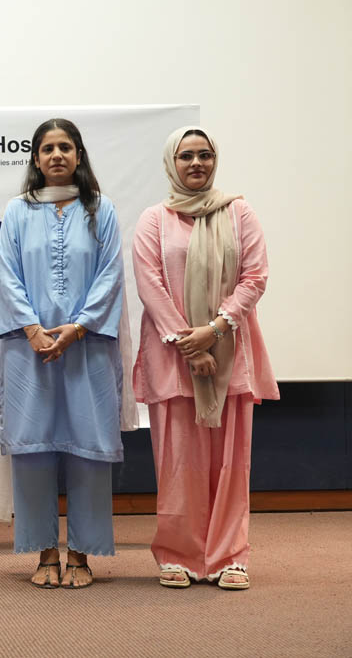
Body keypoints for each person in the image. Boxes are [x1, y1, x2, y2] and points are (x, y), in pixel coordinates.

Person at [132, 126, 277, 590]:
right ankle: (178, 554)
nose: (196, 163)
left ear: (215, 160)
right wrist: (189, 345)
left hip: (230, 351)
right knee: (178, 461)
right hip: (173, 356)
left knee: (232, 461)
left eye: (205, 155)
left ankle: (230, 556)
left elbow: (255, 276)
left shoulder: (239, 212)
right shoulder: (154, 220)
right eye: (186, 155)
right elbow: (150, 285)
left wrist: (214, 331)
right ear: (171, 163)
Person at [0, 118, 126, 590]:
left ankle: (81, 557)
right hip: (28, 349)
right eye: (47, 148)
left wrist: (78, 327)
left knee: (88, 450)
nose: (56, 155)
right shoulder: (17, 210)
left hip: (88, 346)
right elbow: (7, 275)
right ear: (36, 158)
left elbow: (111, 274)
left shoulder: (101, 209)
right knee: (33, 450)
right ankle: (45, 553)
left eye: (65, 147)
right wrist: (33, 330)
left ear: (78, 155)